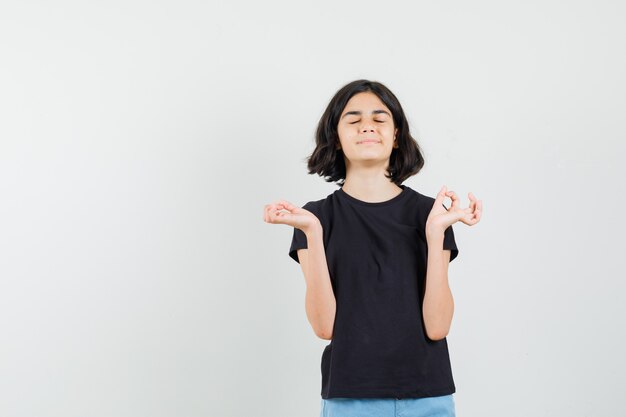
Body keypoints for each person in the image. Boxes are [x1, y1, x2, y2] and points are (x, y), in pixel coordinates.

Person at [263, 79, 482, 417]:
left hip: (428, 397)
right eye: (353, 119)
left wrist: (437, 232)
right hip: (350, 400)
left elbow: (438, 327)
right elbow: (325, 328)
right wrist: (312, 232)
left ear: (396, 136)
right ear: (336, 138)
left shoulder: (431, 214)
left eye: (380, 119)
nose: (367, 126)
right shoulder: (315, 218)